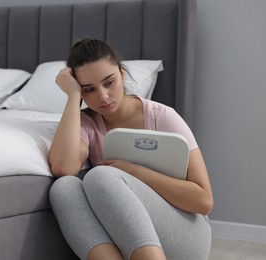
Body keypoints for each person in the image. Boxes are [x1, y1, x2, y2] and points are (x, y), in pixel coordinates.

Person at [48, 38, 213, 260]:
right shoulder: (86, 122)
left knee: (100, 176)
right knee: (63, 187)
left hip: (188, 233)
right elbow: (63, 167)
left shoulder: (162, 117)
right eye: (89, 90)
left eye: (109, 82)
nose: (103, 97)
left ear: (122, 74)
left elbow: (203, 201)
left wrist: (133, 171)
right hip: (129, 236)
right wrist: (73, 97)